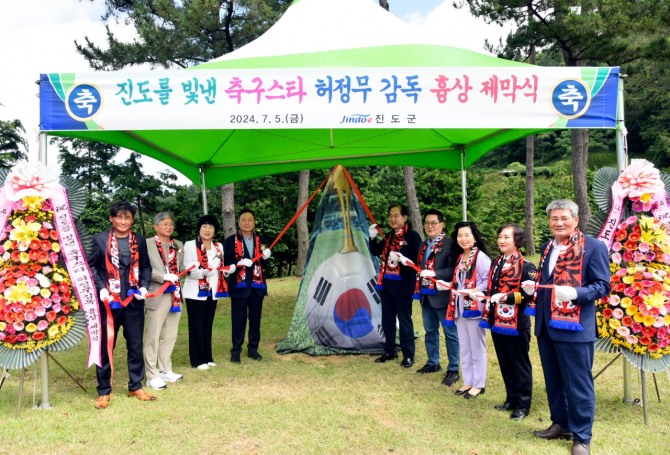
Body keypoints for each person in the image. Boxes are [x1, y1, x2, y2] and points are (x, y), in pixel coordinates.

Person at [522, 200, 610, 455]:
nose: (559, 223)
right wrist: (534, 288)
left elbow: (602, 285)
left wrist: (576, 293)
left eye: (564, 218)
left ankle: (582, 436)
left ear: (576, 219)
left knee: (578, 383)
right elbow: (548, 280)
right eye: (554, 219)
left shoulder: (593, 246)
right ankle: (561, 423)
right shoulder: (548, 246)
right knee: (554, 379)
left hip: (575, 327)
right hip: (547, 325)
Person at [88, 201, 153, 409]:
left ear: (132, 220)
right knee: (106, 347)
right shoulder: (99, 240)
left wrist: (143, 286)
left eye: (127, 218)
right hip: (109, 303)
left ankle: (135, 385)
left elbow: (145, 267)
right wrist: (100, 288)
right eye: (119, 217)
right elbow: (92, 267)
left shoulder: (140, 240)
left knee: (135, 345)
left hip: (133, 301)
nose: (123, 221)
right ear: (111, 218)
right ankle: (104, 390)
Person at [481, 224, 536, 420]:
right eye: (500, 237)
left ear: (517, 240)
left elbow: (528, 296)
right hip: (497, 321)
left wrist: (506, 298)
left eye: (506, 237)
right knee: (504, 362)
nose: (502, 240)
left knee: (519, 364)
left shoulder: (527, 266)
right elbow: (491, 289)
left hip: (517, 324)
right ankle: (511, 399)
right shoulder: (496, 263)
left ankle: (523, 404)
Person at [368, 204, 421, 368]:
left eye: (396, 215)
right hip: (386, 285)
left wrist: (402, 257)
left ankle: (408, 354)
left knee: (404, 321)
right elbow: (377, 251)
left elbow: (414, 259)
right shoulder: (389, 236)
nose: (393, 219)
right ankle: (390, 350)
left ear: (404, 218)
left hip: (404, 285)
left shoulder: (412, 236)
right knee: (387, 320)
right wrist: (372, 238)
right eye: (391, 215)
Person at [443, 221, 491, 399]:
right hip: (459, 308)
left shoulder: (481, 258)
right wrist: (448, 284)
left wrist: (474, 290)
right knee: (465, 346)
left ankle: (479, 384)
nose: (463, 239)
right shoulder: (460, 257)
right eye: (459, 235)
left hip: (474, 309)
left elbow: (488, 281)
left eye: (467, 235)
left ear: (475, 237)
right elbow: (458, 281)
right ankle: (468, 381)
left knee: (476, 347)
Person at [414, 209, 460, 386]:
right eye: (427, 223)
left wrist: (435, 273)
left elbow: (453, 269)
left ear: (442, 224)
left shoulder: (450, 244)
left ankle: (454, 368)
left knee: (450, 332)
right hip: (426, 294)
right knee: (430, 330)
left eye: (434, 223)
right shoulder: (423, 245)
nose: (430, 226)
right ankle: (433, 362)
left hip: (443, 295)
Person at [183, 214, 232, 370]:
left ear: (215, 230)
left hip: (212, 291)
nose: (207, 229)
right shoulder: (190, 245)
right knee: (196, 325)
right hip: (195, 291)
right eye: (204, 226)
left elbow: (219, 269)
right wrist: (203, 272)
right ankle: (197, 360)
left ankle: (207, 357)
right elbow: (188, 269)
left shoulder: (219, 247)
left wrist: (227, 270)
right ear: (199, 228)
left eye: (211, 227)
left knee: (207, 325)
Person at [223, 208, 271, 363]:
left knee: (255, 320)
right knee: (238, 320)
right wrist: (239, 263)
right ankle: (235, 351)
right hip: (239, 286)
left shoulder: (262, 239)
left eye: (250, 220)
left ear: (254, 222)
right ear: (238, 222)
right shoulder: (230, 241)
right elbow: (226, 264)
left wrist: (266, 257)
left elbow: (265, 263)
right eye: (243, 219)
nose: (247, 222)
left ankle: (253, 349)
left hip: (257, 287)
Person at [143, 212, 185, 391]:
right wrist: (162, 276)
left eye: (171, 224)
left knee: (170, 334)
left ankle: (165, 368)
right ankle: (151, 374)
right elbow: (143, 269)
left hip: (174, 294)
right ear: (156, 226)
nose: (169, 227)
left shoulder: (178, 244)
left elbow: (181, 268)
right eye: (165, 224)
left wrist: (190, 269)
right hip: (157, 293)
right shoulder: (147, 244)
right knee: (153, 335)